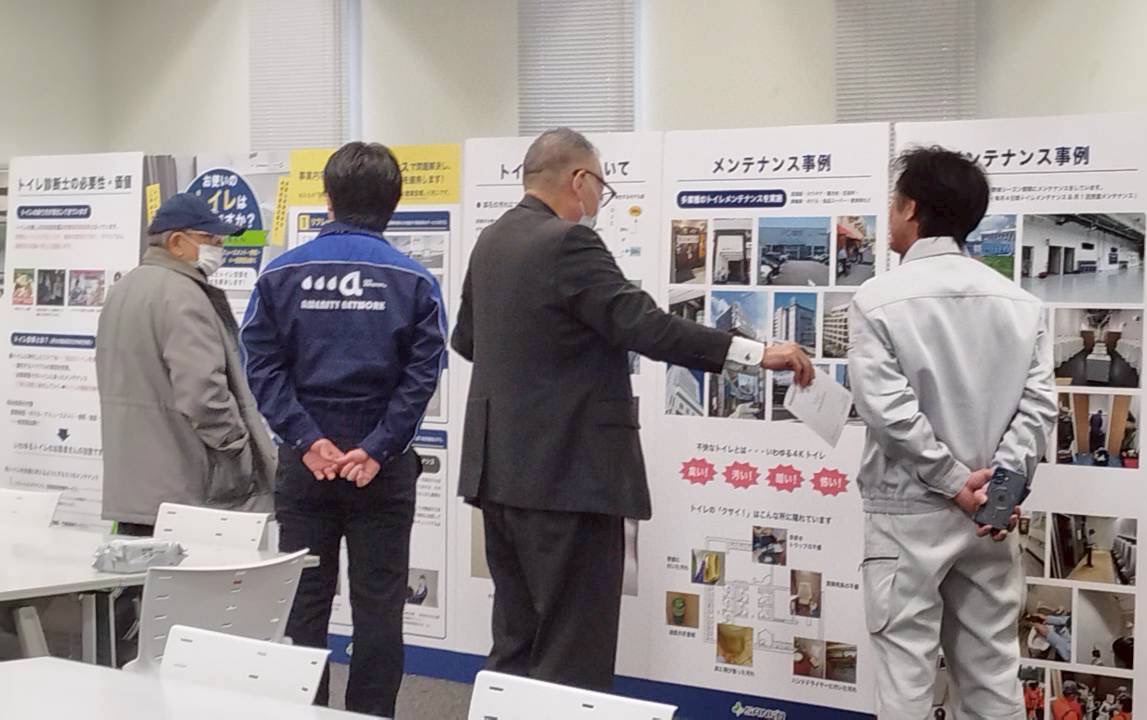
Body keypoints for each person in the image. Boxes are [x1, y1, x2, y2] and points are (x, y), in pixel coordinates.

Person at [451, 127, 813, 690]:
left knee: (516, 642)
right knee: (573, 652)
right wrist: (754, 352)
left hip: (500, 476)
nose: (601, 198)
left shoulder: (492, 241)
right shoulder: (568, 242)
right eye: (602, 185)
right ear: (579, 179)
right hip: (568, 478)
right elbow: (643, 325)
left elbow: (468, 341)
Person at [849, 146, 1056, 719]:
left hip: (907, 513)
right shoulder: (1022, 304)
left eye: (893, 203)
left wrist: (952, 481)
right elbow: (1039, 407)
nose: (890, 214)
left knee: (906, 681)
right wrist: (996, 493)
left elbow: (888, 412)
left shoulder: (877, 300)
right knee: (993, 676)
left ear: (912, 208)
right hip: (990, 519)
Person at [242, 142, 447, 717]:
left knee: (303, 607)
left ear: (327, 200)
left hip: (305, 466)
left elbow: (261, 365)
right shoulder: (414, 280)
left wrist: (307, 440)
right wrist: (377, 448)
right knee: (380, 610)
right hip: (381, 471)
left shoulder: (280, 273)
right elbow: (422, 375)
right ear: (394, 204)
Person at [97, 193, 275, 535]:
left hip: (135, 486)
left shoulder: (124, 289)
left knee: (140, 567)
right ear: (177, 242)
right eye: (211, 239)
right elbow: (203, 393)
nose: (219, 247)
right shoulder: (183, 295)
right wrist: (238, 449)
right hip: (186, 488)